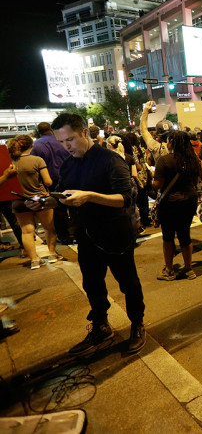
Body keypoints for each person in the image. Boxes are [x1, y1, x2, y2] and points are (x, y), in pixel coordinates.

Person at [40, 113, 145, 355]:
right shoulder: (68, 164)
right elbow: (62, 196)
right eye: (61, 142)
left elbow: (125, 199)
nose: (67, 146)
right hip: (86, 234)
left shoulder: (111, 160)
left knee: (128, 283)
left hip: (115, 234)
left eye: (71, 140)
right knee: (92, 284)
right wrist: (47, 203)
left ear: (85, 133)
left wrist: (89, 196)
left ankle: (137, 324)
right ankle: (100, 325)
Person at [153, 130, 202, 281]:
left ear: (173, 142)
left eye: (168, 140)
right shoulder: (193, 160)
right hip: (188, 201)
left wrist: (151, 182)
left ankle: (169, 270)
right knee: (185, 235)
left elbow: (157, 184)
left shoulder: (164, 160)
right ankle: (189, 269)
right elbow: (196, 181)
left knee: (168, 236)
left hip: (170, 203)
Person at [8, 135, 58, 269]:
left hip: (19, 200)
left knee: (27, 231)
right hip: (39, 198)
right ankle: (52, 254)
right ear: (32, 145)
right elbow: (48, 181)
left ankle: (34, 260)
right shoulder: (37, 160)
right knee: (49, 227)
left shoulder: (11, 162)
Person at [31, 122, 73, 243]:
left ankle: (64, 236)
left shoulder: (37, 145)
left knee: (59, 209)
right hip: (70, 176)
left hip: (51, 180)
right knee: (75, 205)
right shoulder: (61, 140)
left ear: (39, 131)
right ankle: (76, 231)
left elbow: (36, 164)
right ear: (50, 129)